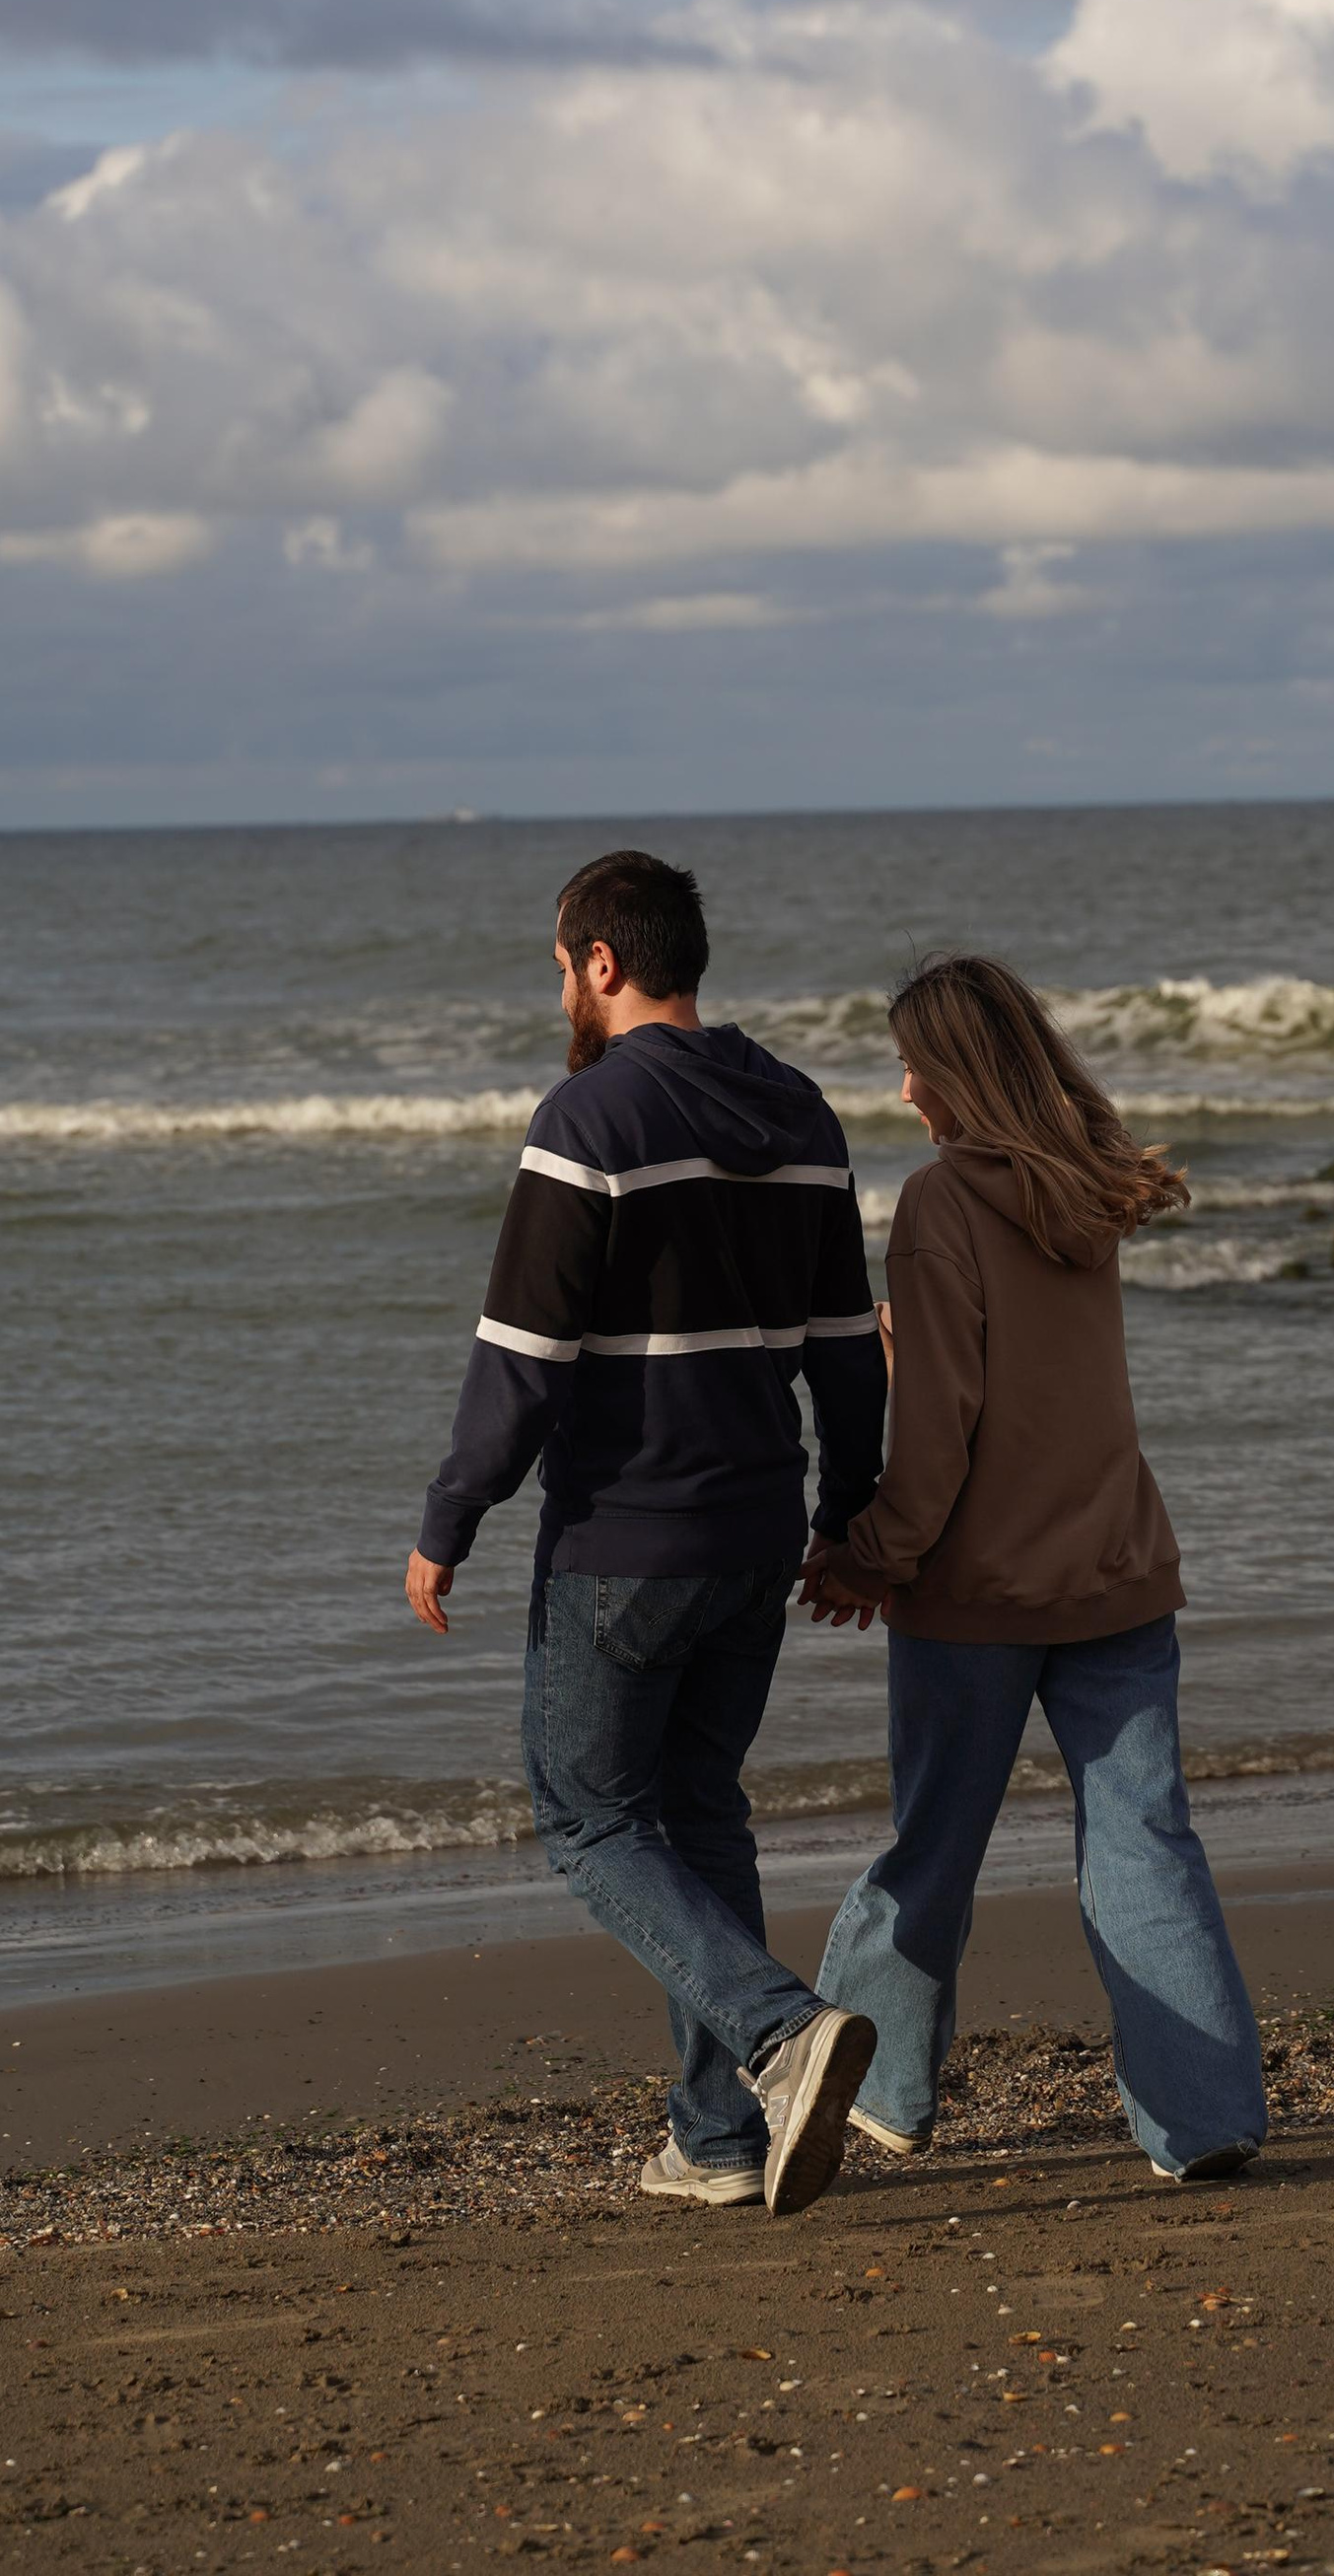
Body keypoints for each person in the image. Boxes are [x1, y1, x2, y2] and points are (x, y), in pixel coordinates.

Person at [404, 848, 887, 2217]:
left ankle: (783, 2036)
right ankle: (719, 2137)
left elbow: (523, 1355)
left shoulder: (591, 1117)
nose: (561, 984)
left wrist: (452, 1517)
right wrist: (850, 1511)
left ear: (602, 964)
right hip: (755, 1531)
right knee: (696, 1814)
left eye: (562, 963)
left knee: (589, 1816)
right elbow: (849, 1352)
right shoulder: (800, 1112)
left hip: (629, 1536)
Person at [799, 949, 1268, 2183]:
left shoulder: (942, 1205)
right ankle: (1204, 2118)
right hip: (1115, 1562)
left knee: (932, 1849)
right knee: (1144, 1842)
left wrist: (867, 1557)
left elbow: (945, 1427)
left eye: (911, 1064)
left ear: (955, 1068)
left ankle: (876, 2091)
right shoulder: (1084, 1187)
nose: (902, 1091)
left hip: (976, 1593)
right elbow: (1029, 1384)